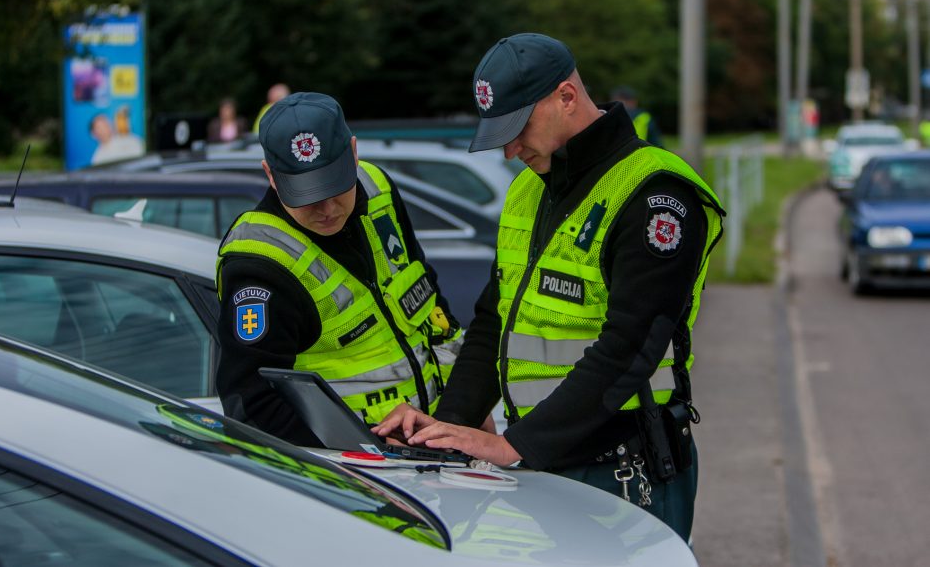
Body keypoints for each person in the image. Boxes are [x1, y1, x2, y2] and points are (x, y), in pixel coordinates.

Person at [373, 33, 725, 540]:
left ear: (566, 97)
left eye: (519, 128)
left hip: (623, 467)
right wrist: (447, 429)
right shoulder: (528, 188)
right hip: (544, 460)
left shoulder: (656, 194)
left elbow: (629, 349)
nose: (511, 149)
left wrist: (512, 445)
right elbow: (494, 320)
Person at [215, 91, 466, 447]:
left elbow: (430, 302)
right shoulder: (259, 263)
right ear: (270, 175)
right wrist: (358, 452)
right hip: (355, 474)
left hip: (438, 440)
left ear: (354, 151)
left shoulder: (377, 190)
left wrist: (460, 411)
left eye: (335, 185)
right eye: (306, 195)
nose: (328, 208)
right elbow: (252, 403)